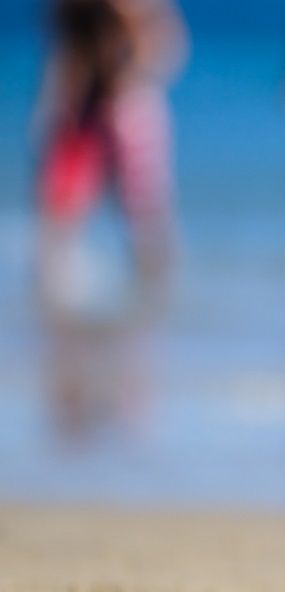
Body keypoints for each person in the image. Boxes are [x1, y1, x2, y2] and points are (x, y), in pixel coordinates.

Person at [31, 0, 187, 440]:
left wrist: (129, 61)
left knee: (146, 223)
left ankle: (151, 316)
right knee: (58, 217)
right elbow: (64, 49)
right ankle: (62, 318)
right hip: (79, 105)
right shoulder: (73, 13)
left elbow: (167, 50)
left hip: (124, 103)